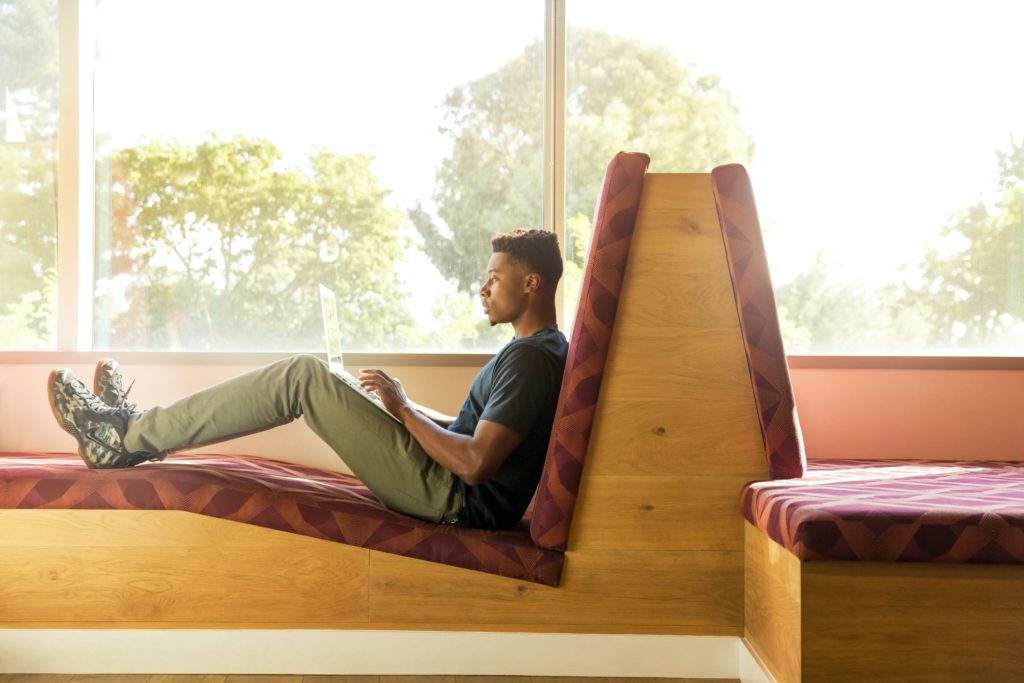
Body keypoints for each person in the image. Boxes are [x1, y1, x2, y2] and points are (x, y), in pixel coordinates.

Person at [46, 229, 568, 530]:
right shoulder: (534, 354)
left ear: (531, 282)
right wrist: (397, 404)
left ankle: (129, 437)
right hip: (446, 485)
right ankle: (135, 433)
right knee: (316, 377)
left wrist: (405, 410)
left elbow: (476, 465)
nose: (483, 289)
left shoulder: (528, 360)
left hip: (452, 500)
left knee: (302, 375)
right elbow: (469, 430)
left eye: (494, 279)